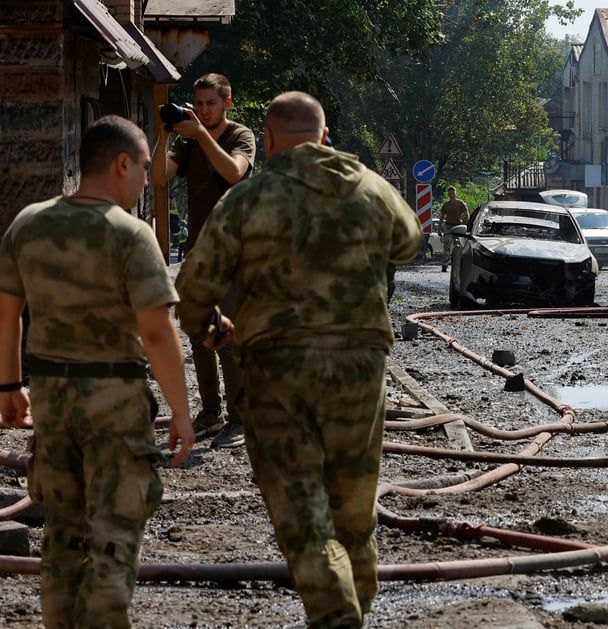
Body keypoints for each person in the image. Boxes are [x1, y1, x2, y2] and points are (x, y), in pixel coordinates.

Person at [176, 91, 422, 628]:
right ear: (326, 136)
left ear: (266, 141)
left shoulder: (246, 199)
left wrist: (214, 331)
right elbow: (408, 241)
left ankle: (337, 618)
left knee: (302, 518)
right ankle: (352, 608)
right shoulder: (367, 185)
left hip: (277, 372)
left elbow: (192, 288)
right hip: (360, 370)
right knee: (354, 518)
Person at [0, 116, 194, 628]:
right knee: (113, 538)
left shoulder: (28, 223)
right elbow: (156, 333)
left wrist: (9, 384)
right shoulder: (131, 235)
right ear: (121, 164)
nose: (147, 179)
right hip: (114, 401)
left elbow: (7, 313)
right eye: (144, 168)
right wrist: (181, 411)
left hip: (52, 399)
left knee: (62, 537)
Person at [153, 72, 255, 449]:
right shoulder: (189, 140)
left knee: (225, 337)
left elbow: (233, 171)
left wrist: (200, 135)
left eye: (210, 104)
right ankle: (210, 412)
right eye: (198, 104)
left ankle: (240, 418)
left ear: (227, 103)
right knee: (199, 335)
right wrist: (165, 132)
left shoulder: (240, 136)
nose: (203, 111)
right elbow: (159, 177)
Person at [440, 186, 469, 272]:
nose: (452, 195)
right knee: (446, 246)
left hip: (458, 226)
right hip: (448, 226)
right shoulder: (446, 205)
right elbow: (442, 217)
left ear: (455, 193)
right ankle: (445, 264)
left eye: (453, 193)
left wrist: (465, 224)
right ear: (448, 194)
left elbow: (466, 214)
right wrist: (439, 228)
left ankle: (458, 263)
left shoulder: (461, 203)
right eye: (450, 193)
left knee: (458, 245)